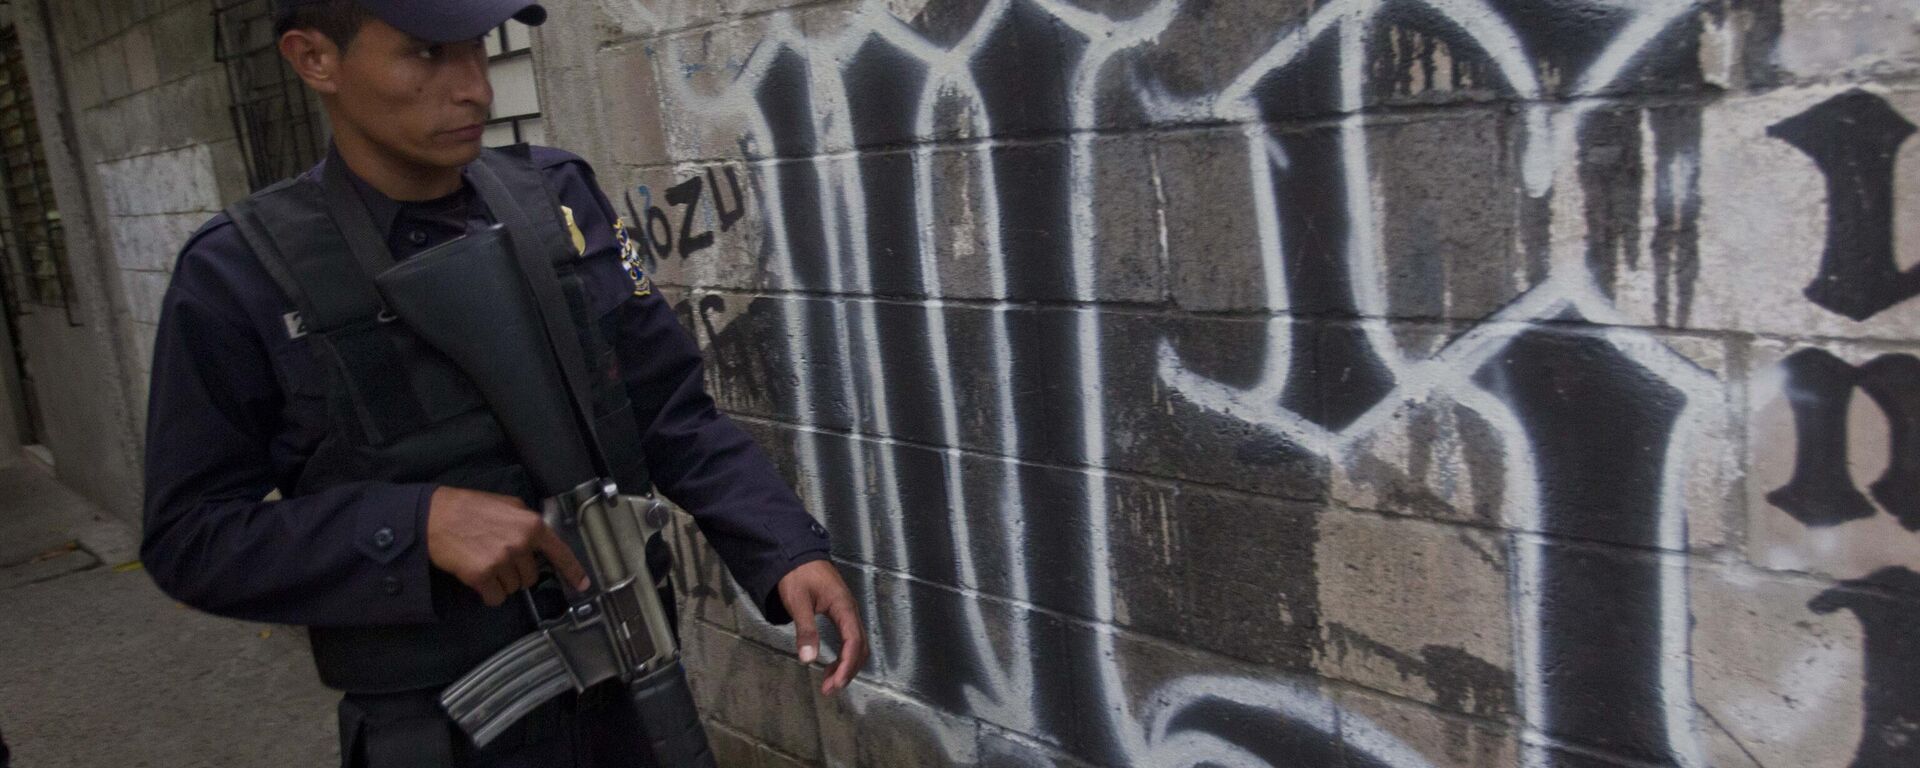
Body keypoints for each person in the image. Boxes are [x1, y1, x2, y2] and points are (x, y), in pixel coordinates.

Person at [139, 1, 867, 765]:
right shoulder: (236, 275)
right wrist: (411, 528)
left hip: (629, 699)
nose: (474, 90)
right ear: (315, 58)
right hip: (437, 734)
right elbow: (190, 537)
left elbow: (666, 411)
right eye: (425, 55)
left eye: (478, 51)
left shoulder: (558, 200)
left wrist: (783, 548)